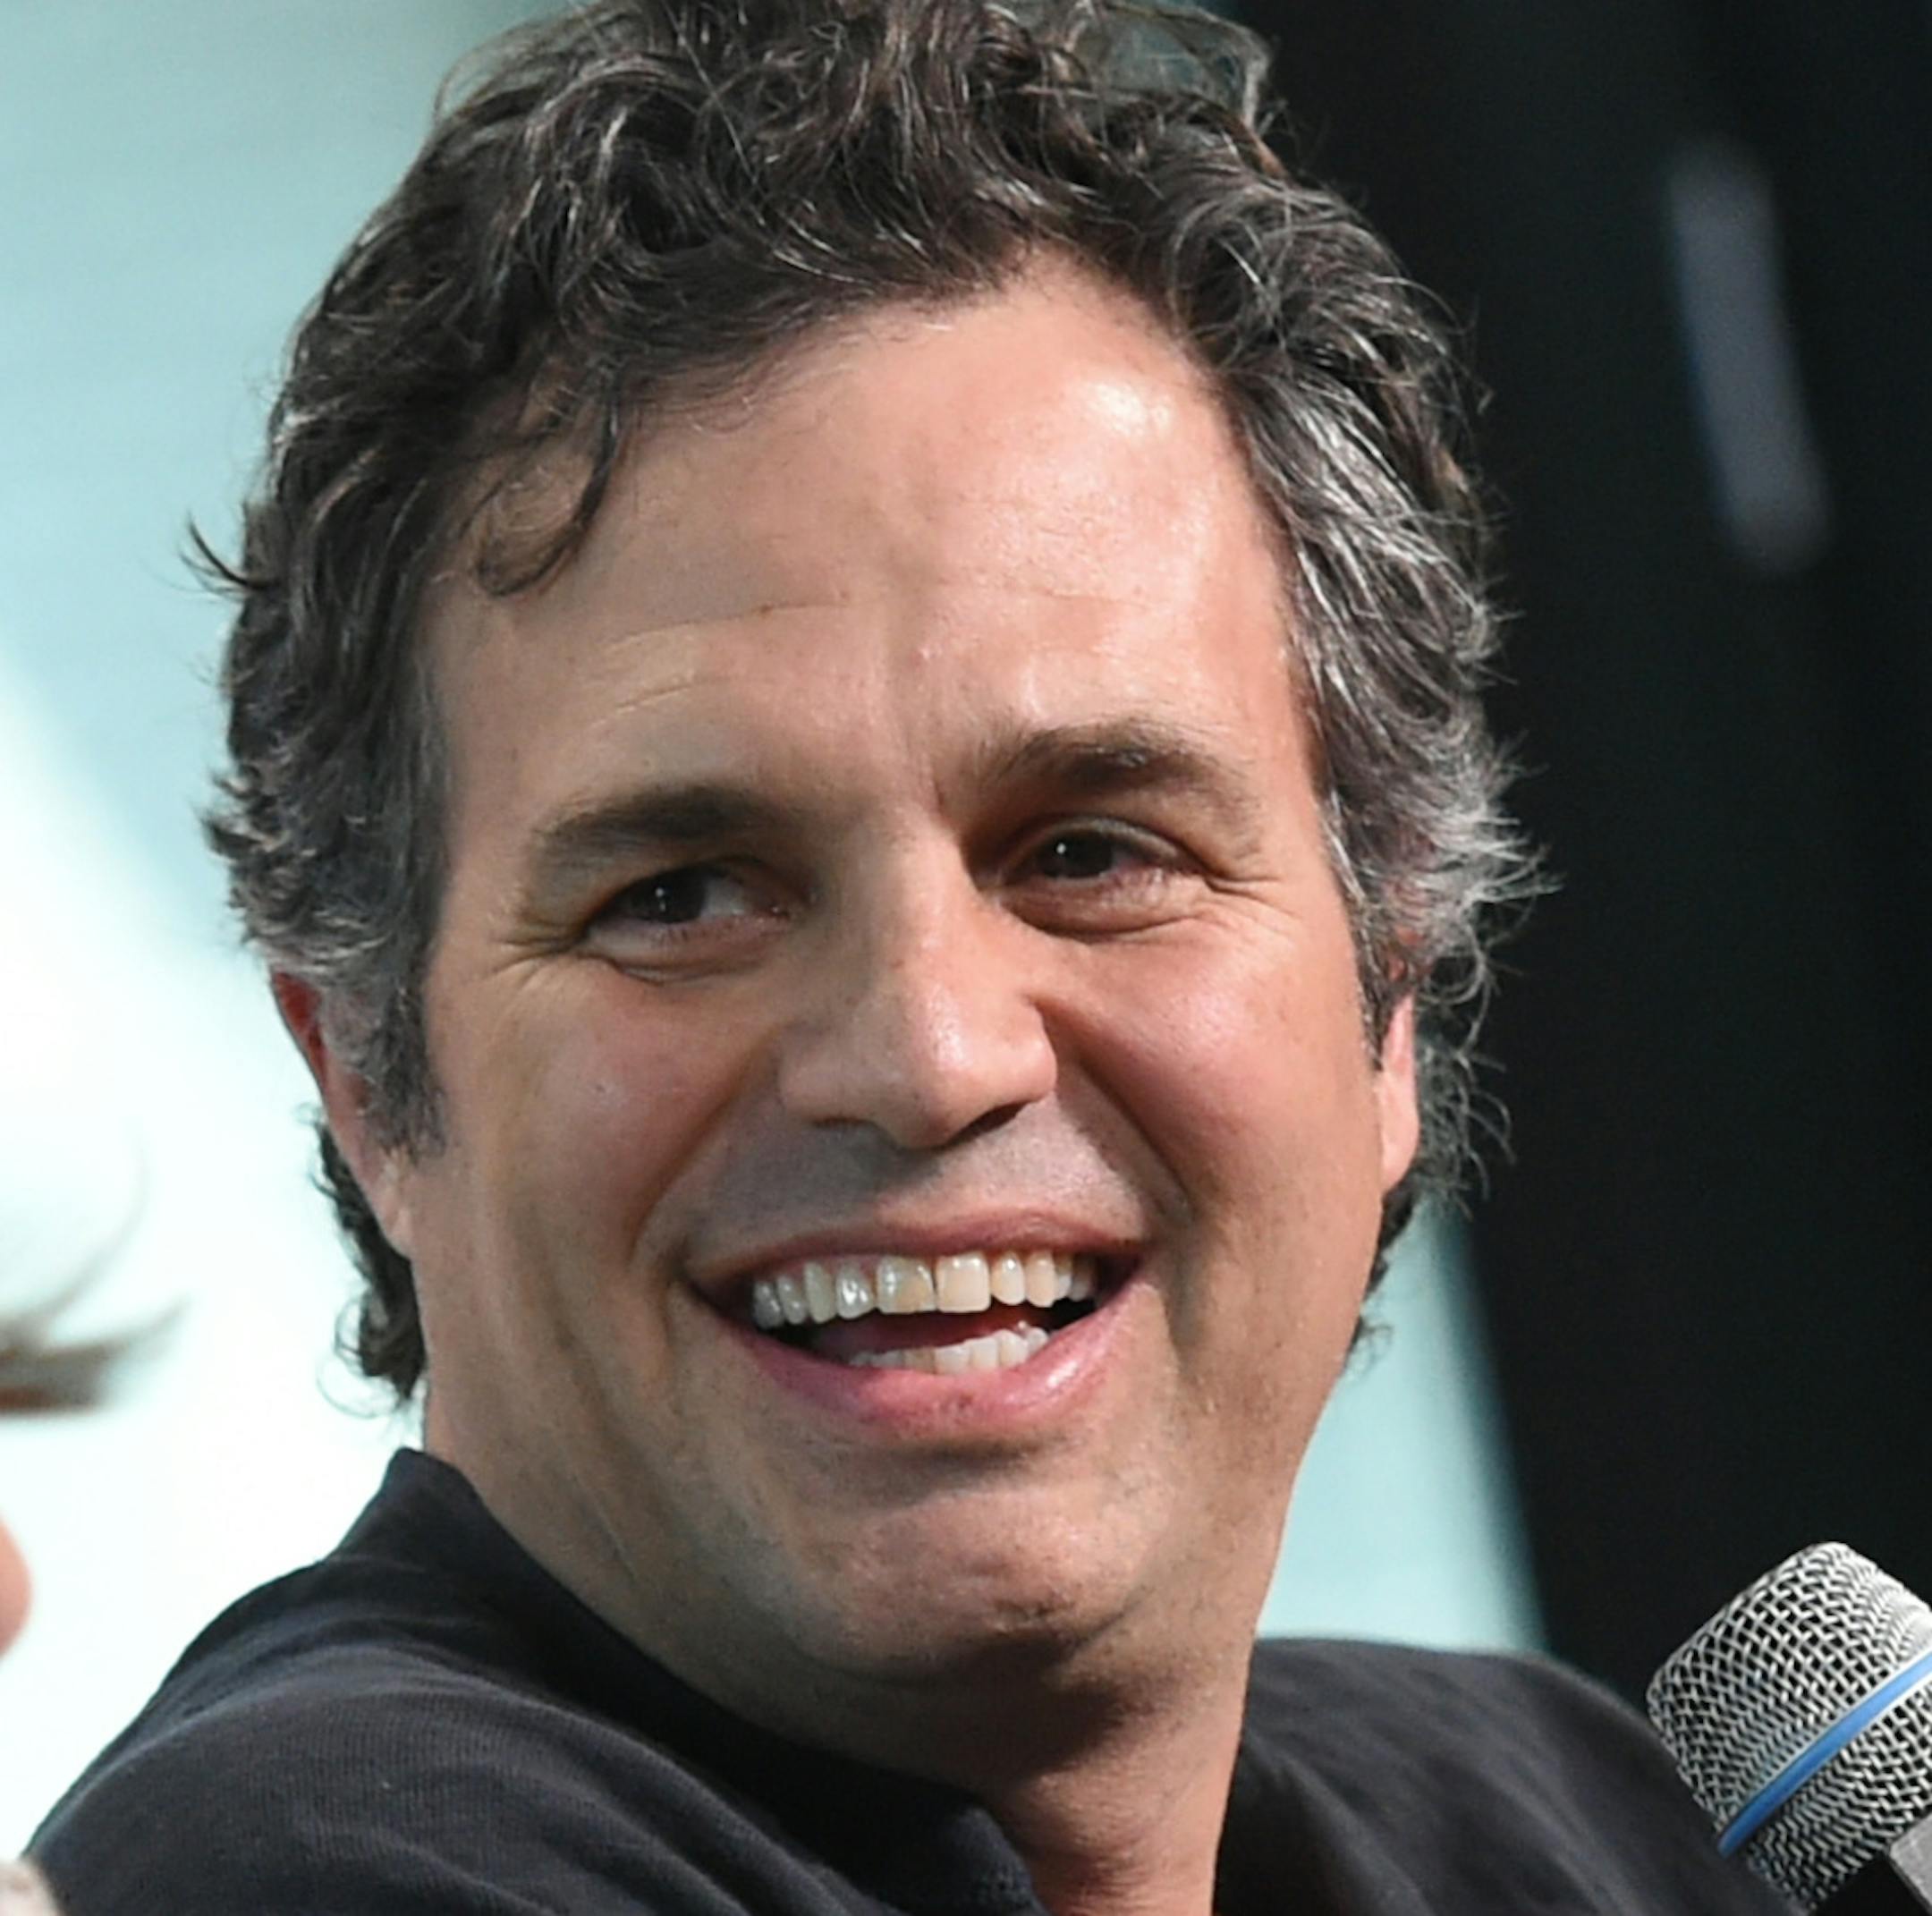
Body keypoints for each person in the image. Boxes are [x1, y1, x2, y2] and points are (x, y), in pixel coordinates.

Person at [25, 2, 1786, 1910]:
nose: (934, 1053)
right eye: (684, 896)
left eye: (1095, 853)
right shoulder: (314, 1871)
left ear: (1391, 1009)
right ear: (372, 1083)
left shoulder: (1549, 1815)